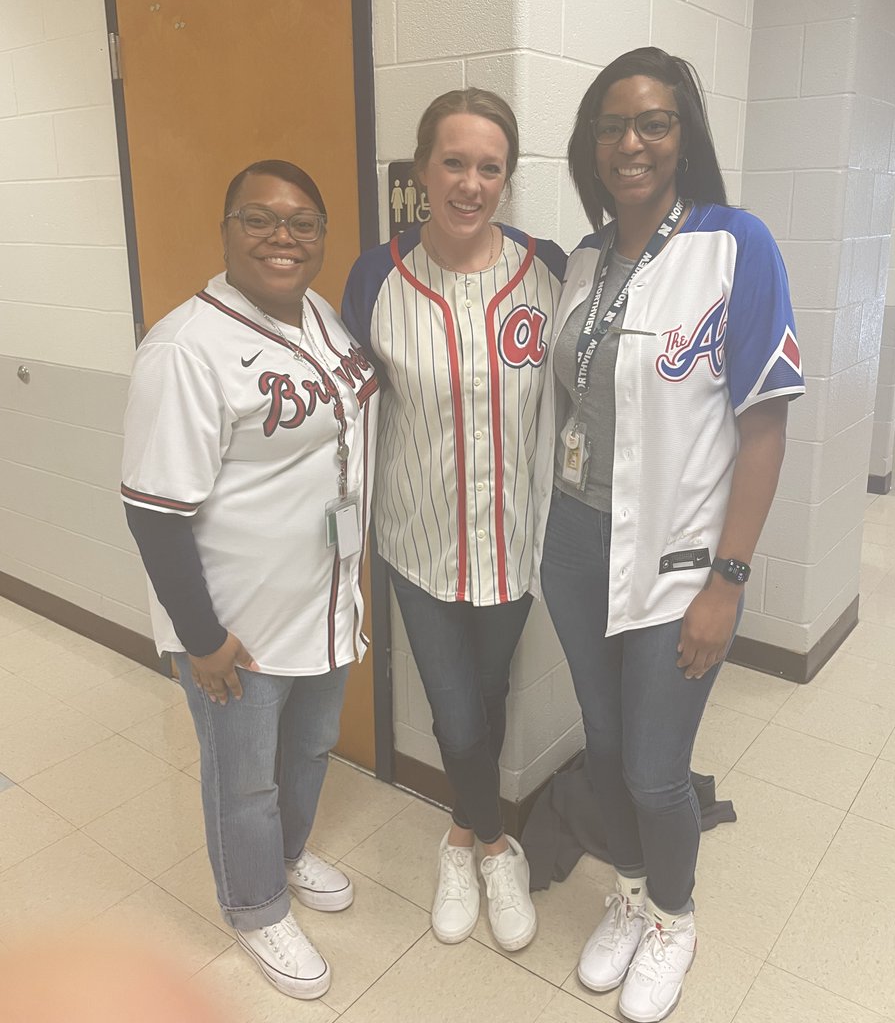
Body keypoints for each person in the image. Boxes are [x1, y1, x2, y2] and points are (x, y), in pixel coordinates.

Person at [532, 48, 804, 1021]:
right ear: (590, 143)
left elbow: (763, 422)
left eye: (653, 122)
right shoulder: (585, 258)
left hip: (680, 555)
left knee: (654, 765)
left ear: (683, 136)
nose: (631, 141)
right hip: (574, 544)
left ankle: (674, 915)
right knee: (606, 749)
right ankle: (634, 889)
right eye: (612, 124)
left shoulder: (736, 245)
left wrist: (726, 581)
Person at [121, 160, 378, 1001]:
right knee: (244, 777)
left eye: (303, 223)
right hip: (236, 621)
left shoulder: (321, 316)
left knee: (307, 748)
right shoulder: (186, 349)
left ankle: (289, 856)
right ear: (226, 229)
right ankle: (255, 905)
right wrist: (203, 638)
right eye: (260, 219)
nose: (283, 237)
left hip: (325, 602)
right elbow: (154, 512)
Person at [342, 89, 565, 952]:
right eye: (454, 162)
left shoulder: (546, 269)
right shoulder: (376, 276)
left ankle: (463, 834)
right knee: (455, 710)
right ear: (422, 168)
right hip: (417, 538)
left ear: (506, 179)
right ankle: (488, 843)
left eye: (490, 167)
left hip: (514, 540)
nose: (470, 183)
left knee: (488, 695)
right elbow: (349, 412)